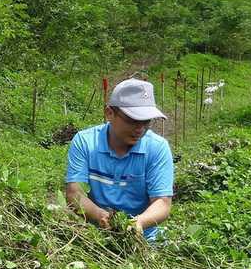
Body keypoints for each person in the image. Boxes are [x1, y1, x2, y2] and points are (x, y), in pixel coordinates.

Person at [65, 77, 174, 240]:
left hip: (145, 239)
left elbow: (162, 203)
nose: (140, 129)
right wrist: (101, 216)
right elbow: (75, 193)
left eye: (146, 122)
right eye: (133, 120)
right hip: (95, 238)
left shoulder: (157, 147)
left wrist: (138, 223)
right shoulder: (85, 142)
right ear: (110, 113)